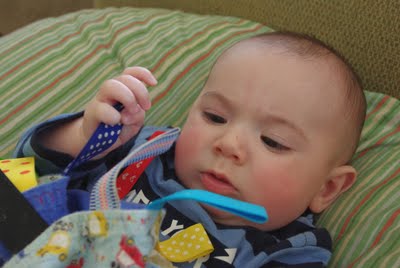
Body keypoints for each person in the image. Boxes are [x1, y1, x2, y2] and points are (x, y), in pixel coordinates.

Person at [14, 31, 366, 267]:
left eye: (272, 141)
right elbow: (36, 164)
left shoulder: (288, 250)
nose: (228, 145)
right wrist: (85, 136)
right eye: (215, 117)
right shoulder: (148, 150)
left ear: (326, 188)